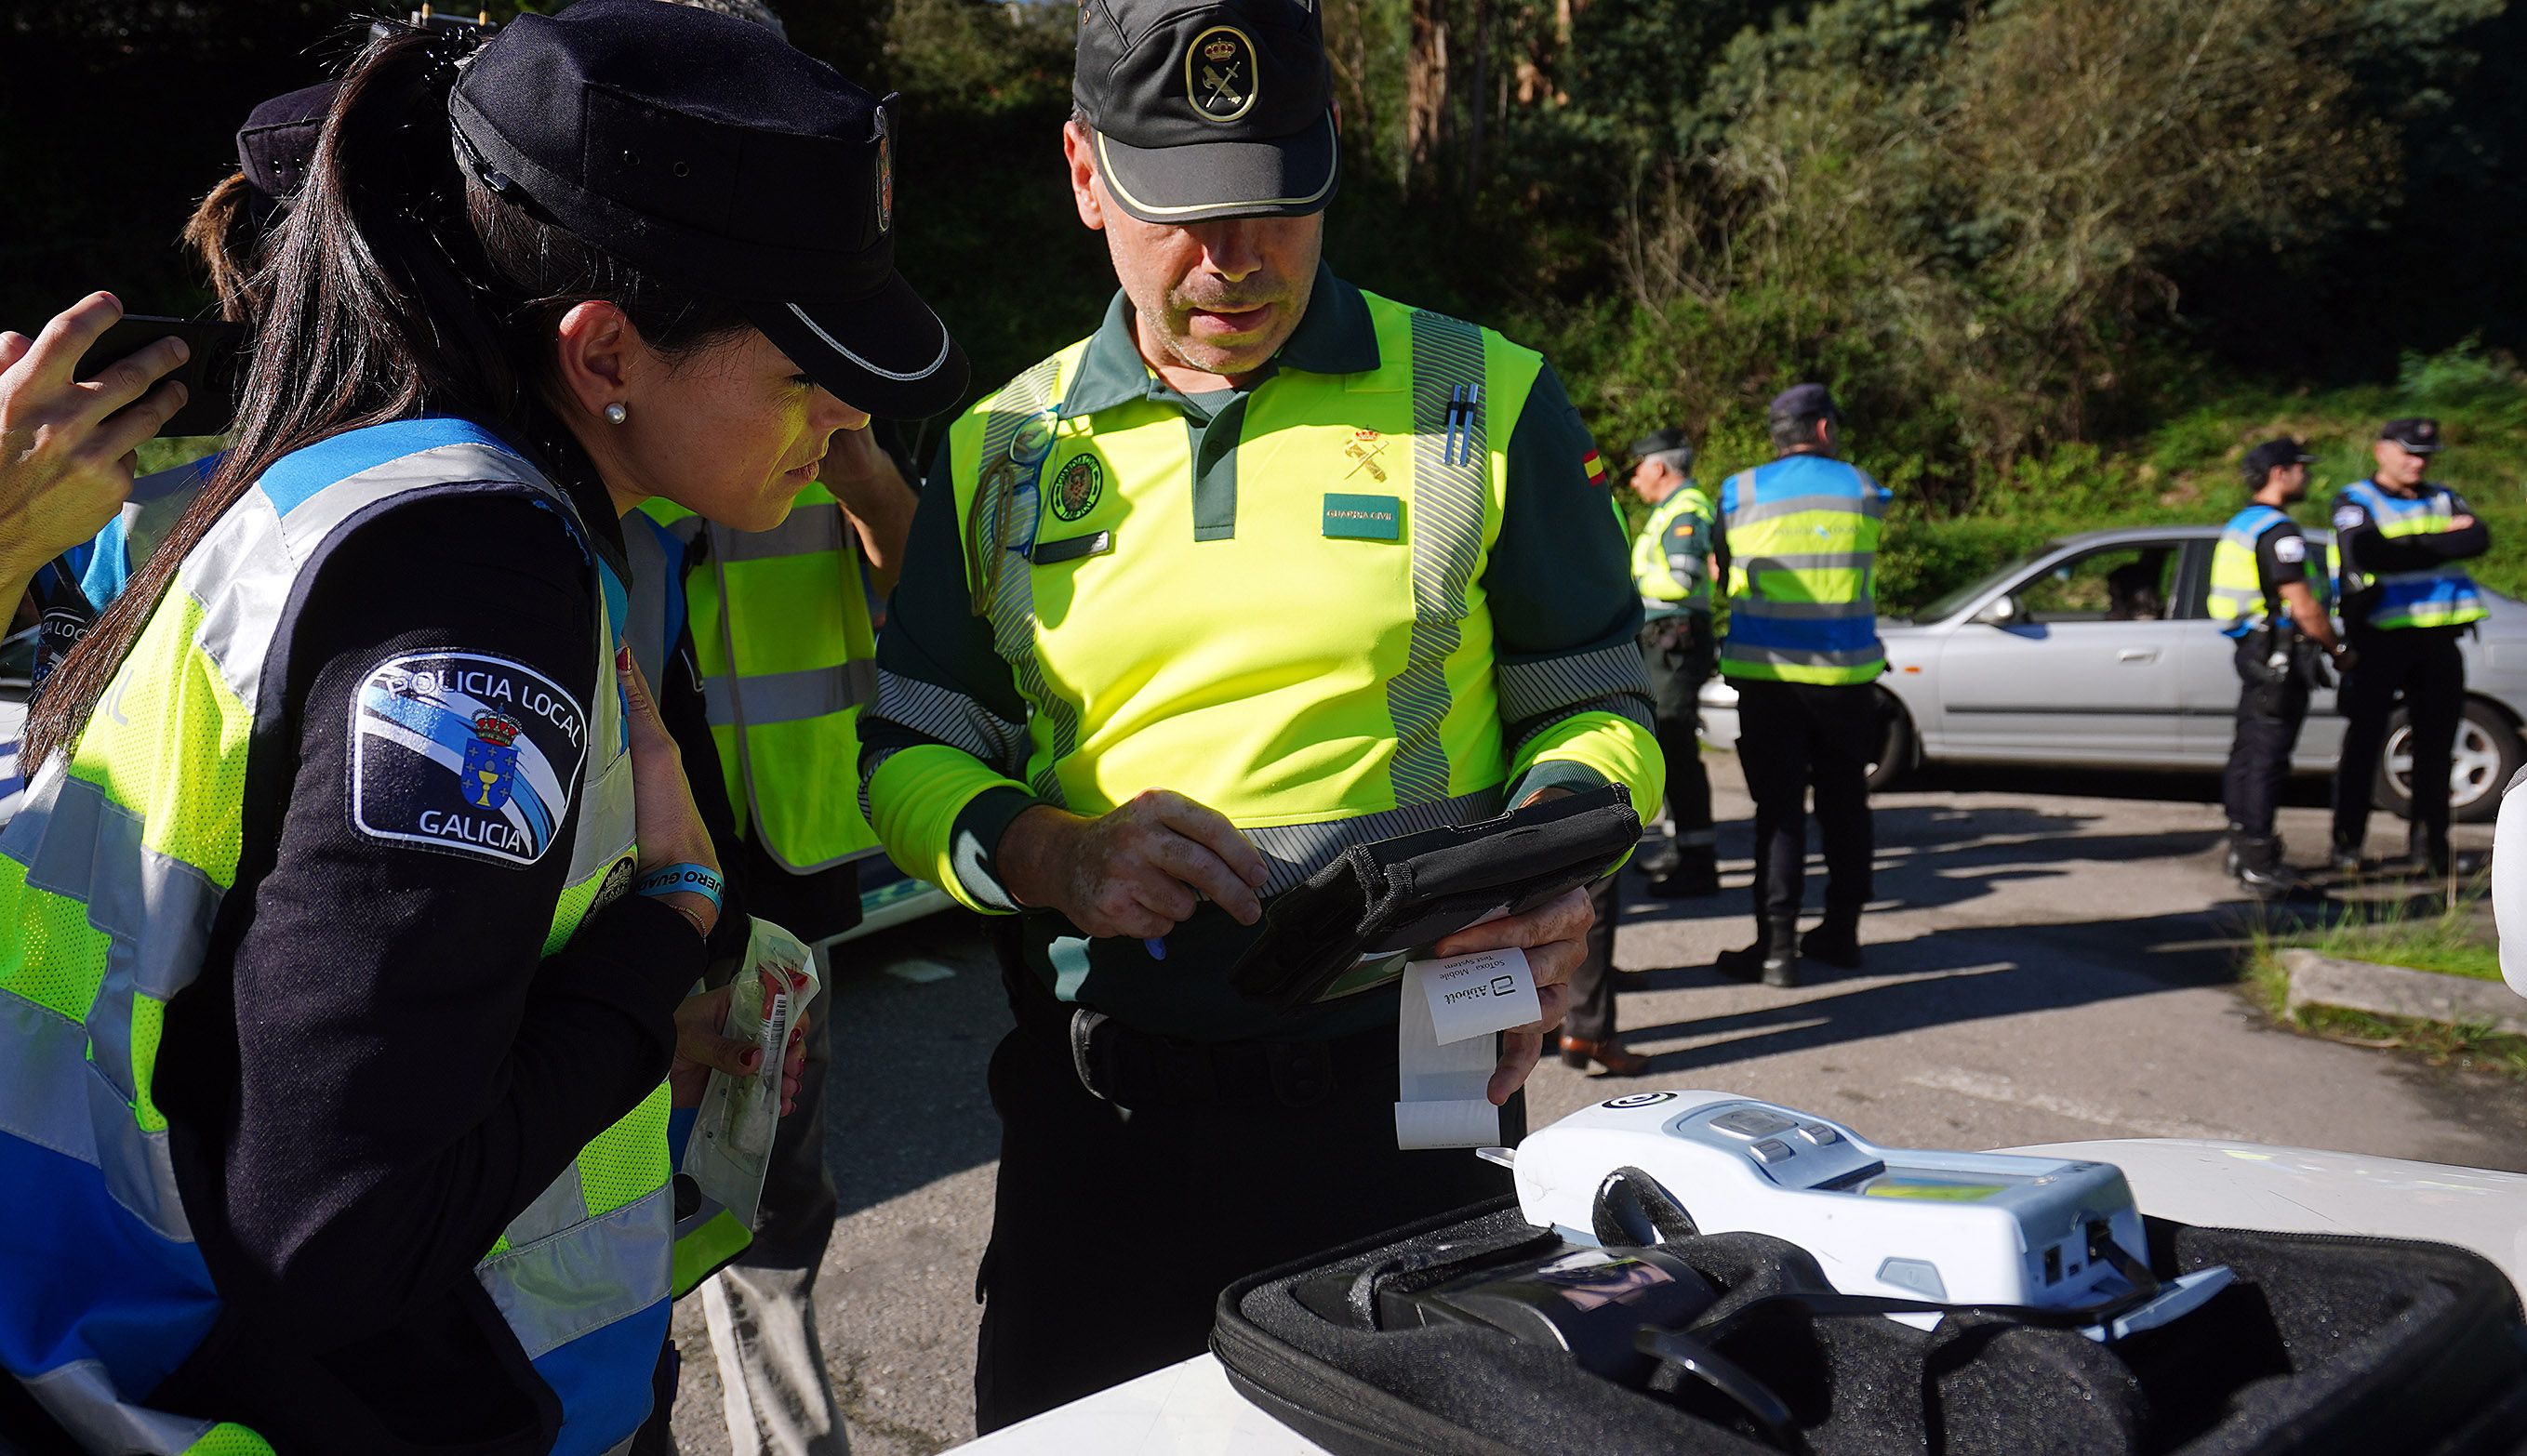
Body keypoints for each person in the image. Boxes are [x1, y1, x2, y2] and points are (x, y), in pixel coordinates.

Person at [0, 6, 959, 1450]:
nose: (845, 407)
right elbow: (342, 1231)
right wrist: (668, 924)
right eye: (798, 365)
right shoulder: (473, 584)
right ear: (604, 351)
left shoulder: (368, 471)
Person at [858, 0, 1660, 1426]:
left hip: (1411, 1083)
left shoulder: (1481, 395)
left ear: (1328, 159)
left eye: (1276, 204)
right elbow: (911, 752)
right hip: (1100, 1110)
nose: (1233, 260)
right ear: (1085, 173)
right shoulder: (997, 446)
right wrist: (1049, 853)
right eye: (1181, 212)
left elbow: (1600, 713)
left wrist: (1544, 862)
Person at [1710, 383, 1888, 988]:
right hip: (1845, 679)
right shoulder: (1864, 488)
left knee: (1778, 814)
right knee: (1845, 807)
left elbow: (1724, 569)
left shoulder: (1740, 490)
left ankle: (1776, 950)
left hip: (1768, 681)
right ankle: (1842, 934)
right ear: (1819, 428)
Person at [2329, 417, 2490, 877]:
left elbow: (2478, 539)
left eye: (2426, 454)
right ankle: (2347, 846)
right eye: (2409, 453)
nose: (2418, 462)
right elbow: (2369, 553)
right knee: (2364, 744)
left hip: (2440, 641)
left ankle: (2430, 850)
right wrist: (2442, 542)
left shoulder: (2441, 495)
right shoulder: (2356, 499)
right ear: (2382, 451)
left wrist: (2410, 544)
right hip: (2380, 639)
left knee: (2437, 750)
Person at [2209, 436, 2345, 896]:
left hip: (2255, 651)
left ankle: (2241, 846)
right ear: (2279, 473)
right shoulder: (2280, 531)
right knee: (2268, 756)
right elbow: (2303, 605)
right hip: (2280, 655)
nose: (2307, 475)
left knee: (2248, 751)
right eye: (2300, 468)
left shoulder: (2244, 523)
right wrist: (2338, 648)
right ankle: (2260, 861)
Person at [1623, 427, 1721, 898]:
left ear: (1658, 466)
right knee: (1667, 743)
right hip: (1664, 640)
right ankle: (1680, 849)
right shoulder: (1670, 509)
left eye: (1637, 469)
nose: (1634, 481)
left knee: (1676, 742)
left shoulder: (1685, 510)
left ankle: (1699, 864)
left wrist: (1628, 584)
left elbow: (1681, 581)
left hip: (1673, 638)